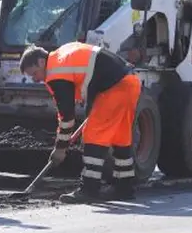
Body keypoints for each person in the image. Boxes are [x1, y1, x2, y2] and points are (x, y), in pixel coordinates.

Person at [19, 41, 142, 204]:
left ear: (41, 62)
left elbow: (67, 116)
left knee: (93, 136)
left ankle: (89, 189)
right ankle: (124, 187)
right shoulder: (63, 55)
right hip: (129, 82)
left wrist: (60, 148)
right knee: (120, 138)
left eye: (34, 73)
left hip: (114, 88)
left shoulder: (56, 72)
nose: (35, 79)